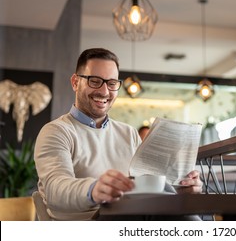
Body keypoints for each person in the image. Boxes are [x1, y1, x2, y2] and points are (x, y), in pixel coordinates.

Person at [34, 48, 203, 221]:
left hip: (131, 218)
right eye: (95, 81)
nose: (105, 91)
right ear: (75, 82)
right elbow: (56, 190)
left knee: (182, 213)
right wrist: (94, 189)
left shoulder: (129, 133)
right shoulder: (56, 131)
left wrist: (180, 188)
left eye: (112, 83)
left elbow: (147, 187)